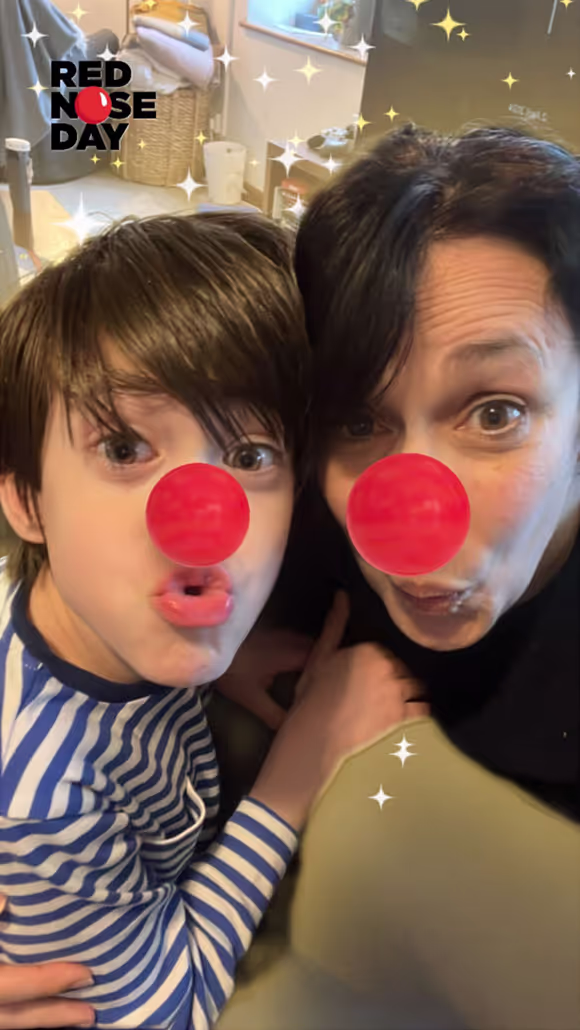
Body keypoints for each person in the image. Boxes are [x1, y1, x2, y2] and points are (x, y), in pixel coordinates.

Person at [3, 122, 580, 1026]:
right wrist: (234, 679)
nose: (410, 524)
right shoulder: (282, 507)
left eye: (497, 412)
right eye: (358, 420)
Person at [0, 210, 428, 1030]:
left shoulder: (98, 627)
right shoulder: (45, 802)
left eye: (249, 456)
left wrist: (211, 659)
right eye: (126, 449)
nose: (203, 522)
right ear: (26, 497)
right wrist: (300, 767)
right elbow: (168, 1011)